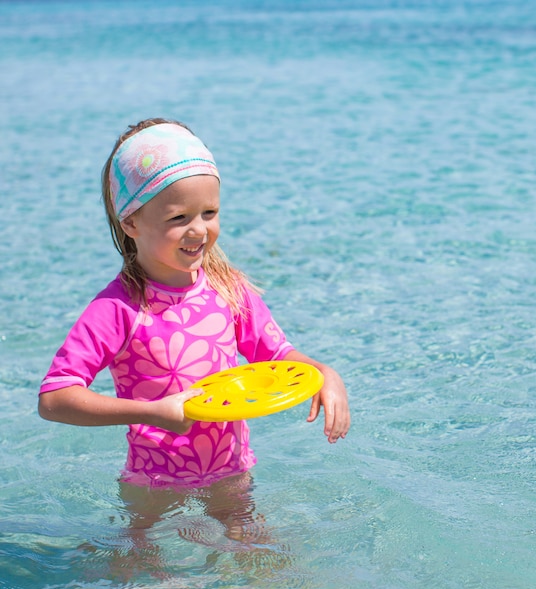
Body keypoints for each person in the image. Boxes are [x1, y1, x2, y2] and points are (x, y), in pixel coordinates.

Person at [38, 118, 350, 491]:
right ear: (131, 223)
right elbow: (55, 398)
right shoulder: (118, 308)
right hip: (152, 483)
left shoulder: (228, 289)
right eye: (179, 218)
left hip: (231, 473)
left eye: (209, 213)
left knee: (258, 548)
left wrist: (323, 373)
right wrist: (152, 412)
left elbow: (279, 355)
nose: (199, 230)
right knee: (138, 553)